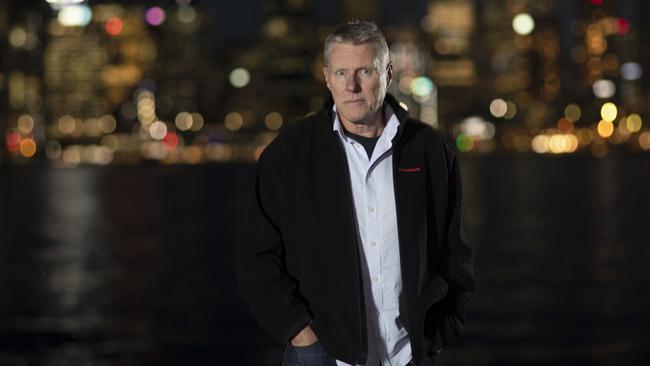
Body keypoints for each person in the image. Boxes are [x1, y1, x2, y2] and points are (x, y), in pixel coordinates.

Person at [237, 20, 476, 366]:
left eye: (364, 71)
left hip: (409, 354)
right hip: (322, 354)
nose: (351, 85)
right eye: (340, 72)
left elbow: (456, 250)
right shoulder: (290, 151)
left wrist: (439, 329)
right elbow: (255, 253)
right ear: (326, 77)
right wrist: (298, 331)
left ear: (388, 73)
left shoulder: (428, 149)